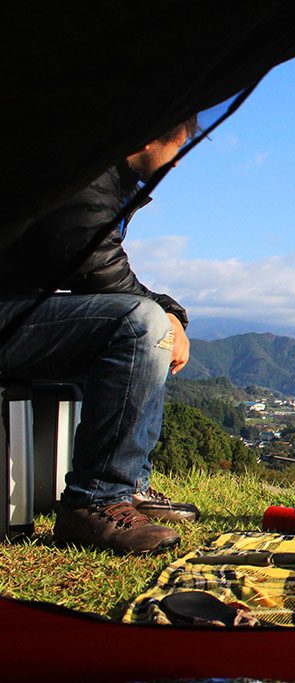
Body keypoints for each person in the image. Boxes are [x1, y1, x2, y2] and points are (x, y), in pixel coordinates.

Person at [0, 117, 202, 554]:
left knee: (147, 328)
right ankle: (96, 500)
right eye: (178, 149)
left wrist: (168, 312)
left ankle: (127, 487)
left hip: (19, 309)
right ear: (150, 136)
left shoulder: (101, 174)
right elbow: (96, 268)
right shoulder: (83, 175)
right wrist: (165, 312)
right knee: (140, 324)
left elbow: (93, 268)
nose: (179, 164)